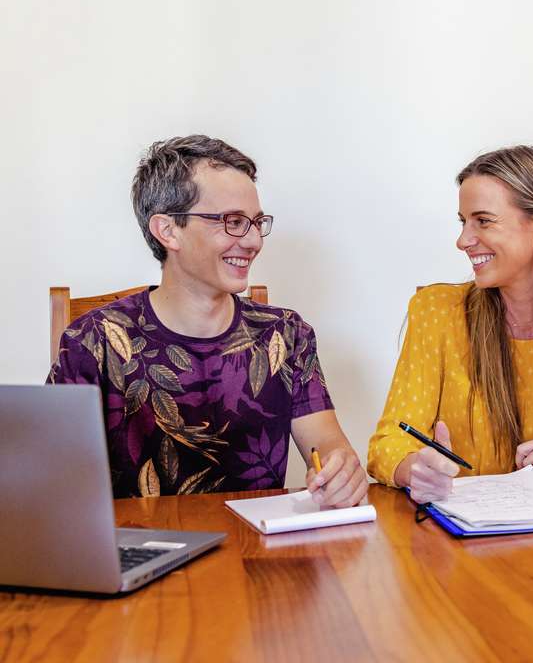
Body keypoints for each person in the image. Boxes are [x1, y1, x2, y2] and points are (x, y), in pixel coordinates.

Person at [48, 135, 368, 506]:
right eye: (232, 221)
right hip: (138, 558)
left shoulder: (286, 334)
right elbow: (52, 484)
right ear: (167, 230)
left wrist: (339, 472)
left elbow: (327, 446)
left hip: (258, 552)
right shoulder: (93, 341)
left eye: (256, 222)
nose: (252, 241)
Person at [368, 145, 533, 503]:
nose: (463, 240)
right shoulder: (436, 313)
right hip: (468, 549)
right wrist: (414, 468)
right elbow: (388, 442)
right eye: (463, 221)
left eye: (483, 220)